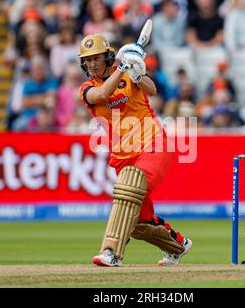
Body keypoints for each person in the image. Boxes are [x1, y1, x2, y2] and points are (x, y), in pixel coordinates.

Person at [78, 34, 192, 267]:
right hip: (122, 154)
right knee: (139, 222)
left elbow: (152, 90)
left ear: (107, 57)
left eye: (96, 59)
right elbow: (101, 96)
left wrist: (137, 73)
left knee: (128, 187)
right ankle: (178, 245)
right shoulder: (87, 88)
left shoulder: (129, 73)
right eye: (87, 60)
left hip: (154, 143)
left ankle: (111, 252)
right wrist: (122, 68)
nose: (91, 64)